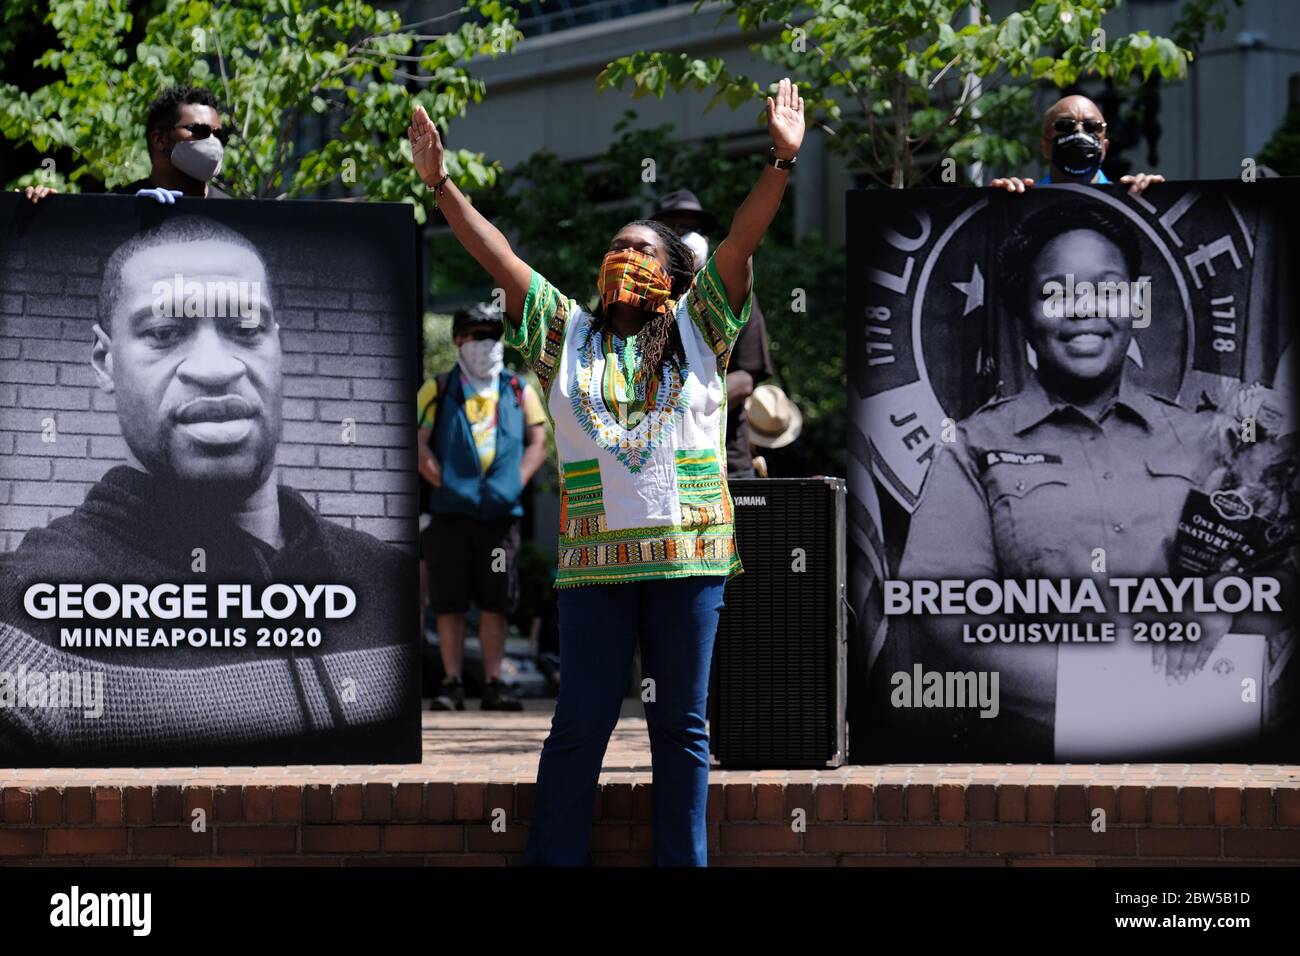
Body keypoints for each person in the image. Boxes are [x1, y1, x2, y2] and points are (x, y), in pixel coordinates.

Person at [408, 76, 803, 865]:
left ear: (671, 273)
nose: (625, 256)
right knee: (580, 722)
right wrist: (442, 186)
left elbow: (739, 242)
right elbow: (498, 253)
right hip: (595, 568)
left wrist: (780, 164)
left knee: (681, 728)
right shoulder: (564, 335)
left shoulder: (701, 330)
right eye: (616, 247)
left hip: (689, 561)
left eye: (641, 248)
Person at [0, 216, 414, 764]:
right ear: (105, 361)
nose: (215, 369)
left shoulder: (390, 581)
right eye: (166, 334)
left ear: (278, 345)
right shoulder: (26, 614)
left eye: (246, 329)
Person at [893, 199, 1287, 758]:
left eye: (1108, 288)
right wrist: (1106, 695)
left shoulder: (1209, 442)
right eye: (1057, 291)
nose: (1086, 309)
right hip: (1039, 773)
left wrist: (1229, 602)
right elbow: (943, 613)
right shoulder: (973, 448)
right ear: (1026, 314)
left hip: (1204, 761)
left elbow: (1282, 582)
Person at [417, 302, 548, 712]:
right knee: (449, 600)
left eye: (492, 336)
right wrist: (447, 483)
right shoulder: (436, 389)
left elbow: (538, 442)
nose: (485, 345)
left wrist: (514, 485)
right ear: (458, 340)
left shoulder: (518, 389)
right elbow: (417, 445)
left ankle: (494, 682)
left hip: (499, 518)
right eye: (476, 336)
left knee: (496, 599)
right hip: (450, 516)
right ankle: (452, 681)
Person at [650, 190, 775, 478]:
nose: (687, 237)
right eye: (675, 229)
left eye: (695, 229)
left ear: (707, 239)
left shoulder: (731, 295)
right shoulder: (638, 299)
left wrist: (674, 407)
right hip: (658, 464)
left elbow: (745, 381)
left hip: (724, 462)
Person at [19, 85, 231, 205]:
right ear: (160, 139)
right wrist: (45, 211)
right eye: (200, 131)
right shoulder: (113, 207)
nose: (212, 142)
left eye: (219, 135)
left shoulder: (235, 214)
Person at [990, 94, 1165, 196]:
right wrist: (996, 202)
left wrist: (1156, 197)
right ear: (1045, 147)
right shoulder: (1021, 200)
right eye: (1065, 126)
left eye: (1091, 127)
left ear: (1104, 148)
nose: (1079, 132)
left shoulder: (1131, 199)